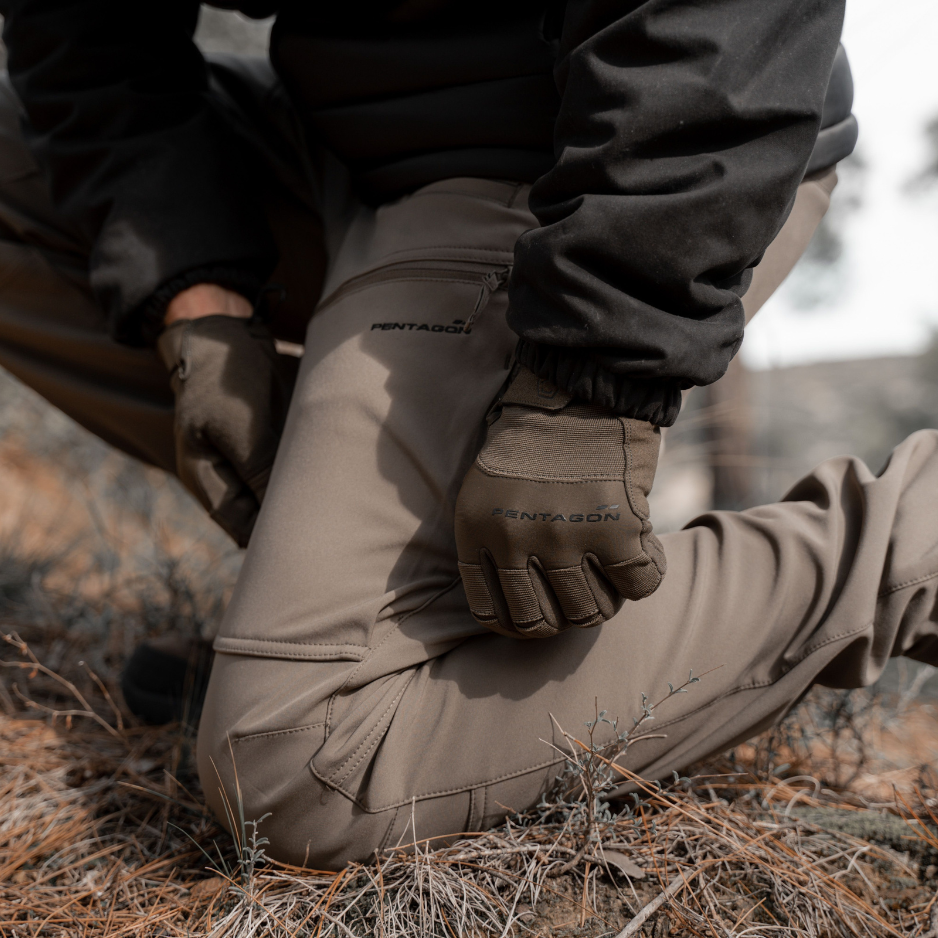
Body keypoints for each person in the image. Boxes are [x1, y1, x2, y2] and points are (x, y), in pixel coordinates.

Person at [0, 1, 876, 866]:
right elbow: (78, 24)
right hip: (347, 133)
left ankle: (907, 539)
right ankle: (387, 617)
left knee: (304, 767)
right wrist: (195, 300)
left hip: (605, 160)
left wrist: (591, 375)